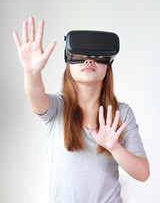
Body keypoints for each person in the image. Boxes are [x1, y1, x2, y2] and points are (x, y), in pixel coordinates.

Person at [13, 17, 150, 203]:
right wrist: (32, 73)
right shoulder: (57, 107)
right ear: (68, 63)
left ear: (108, 66)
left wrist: (115, 148)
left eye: (97, 57)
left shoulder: (121, 112)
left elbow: (143, 173)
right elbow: (36, 98)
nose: (89, 61)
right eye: (80, 57)